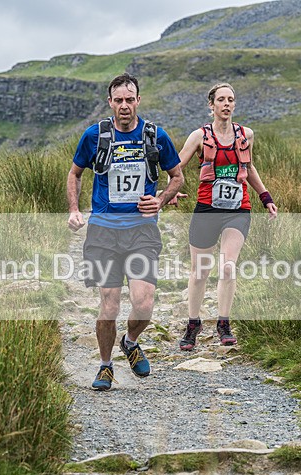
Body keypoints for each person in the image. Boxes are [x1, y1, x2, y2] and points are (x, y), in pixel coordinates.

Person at [67, 73, 185, 391]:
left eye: (129, 99)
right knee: (109, 305)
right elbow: (75, 173)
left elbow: (177, 176)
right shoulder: (95, 136)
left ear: (138, 101)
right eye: (118, 100)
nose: (124, 105)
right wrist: (74, 209)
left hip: (141, 231)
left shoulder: (155, 136)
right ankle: (105, 366)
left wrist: (160, 200)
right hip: (104, 232)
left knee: (144, 303)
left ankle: (130, 341)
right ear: (110, 102)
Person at [176, 82, 277, 351]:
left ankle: (223, 323)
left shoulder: (246, 135)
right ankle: (193, 324)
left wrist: (265, 197)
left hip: (238, 210)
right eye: (221, 99)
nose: (226, 104)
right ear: (211, 106)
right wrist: (170, 192)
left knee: (228, 266)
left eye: (230, 99)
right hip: (207, 209)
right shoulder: (199, 136)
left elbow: (249, 167)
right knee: (200, 271)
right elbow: (177, 166)